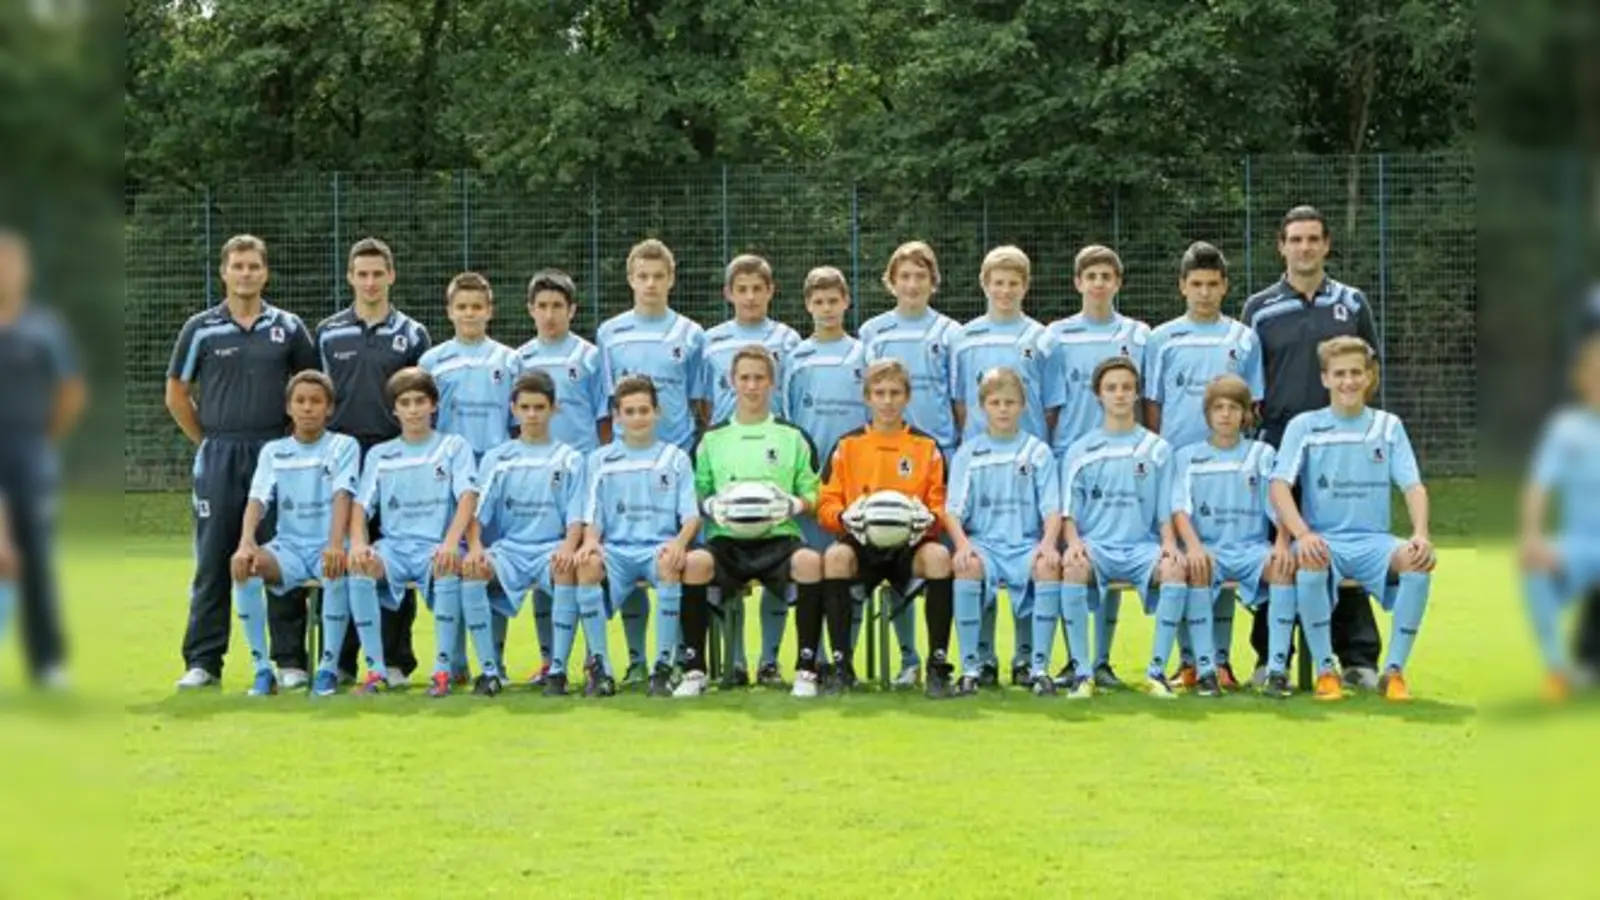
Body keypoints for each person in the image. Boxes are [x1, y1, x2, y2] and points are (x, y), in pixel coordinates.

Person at [1241, 205, 1384, 689]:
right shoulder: (1258, 308)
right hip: (1279, 444)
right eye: (1295, 239)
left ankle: (1358, 658)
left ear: (1326, 245)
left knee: (1345, 545)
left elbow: (1371, 372)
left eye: (1313, 239)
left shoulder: (1352, 302)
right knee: (1277, 551)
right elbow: (1246, 385)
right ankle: (1271, 658)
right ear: (1281, 246)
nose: (1304, 247)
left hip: (1341, 448)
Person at [167, 234, 318, 690]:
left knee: (280, 554)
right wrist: (208, 441)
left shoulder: (288, 327)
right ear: (224, 272)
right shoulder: (202, 328)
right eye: (238, 266)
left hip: (275, 452)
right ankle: (204, 661)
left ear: (265, 272)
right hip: (220, 453)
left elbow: (312, 385)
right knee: (214, 557)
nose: (246, 273)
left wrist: (292, 445)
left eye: (254, 266)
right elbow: (176, 393)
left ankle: (290, 660)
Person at [1269, 336, 1435, 702]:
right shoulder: (1305, 426)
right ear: (1325, 379)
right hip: (1325, 539)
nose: (1348, 381)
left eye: (1356, 373)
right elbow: (1279, 486)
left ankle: (1393, 673)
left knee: (1420, 562)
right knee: (1310, 560)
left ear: (1368, 377)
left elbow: (1413, 486)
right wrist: (1302, 533)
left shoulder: (1388, 426)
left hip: (1374, 542)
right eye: (1339, 374)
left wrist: (1420, 533)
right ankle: (1327, 671)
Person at [307, 237, 431, 688]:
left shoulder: (412, 333)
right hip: (339, 457)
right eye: (362, 274)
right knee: (341, 557)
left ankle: (396, 660)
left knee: (396, 554)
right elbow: (314, 396)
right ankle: (338, 662)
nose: (370, 281)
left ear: (391, 276)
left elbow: (420, 400)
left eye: (378, 273)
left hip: (396, 457)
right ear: (350, 277)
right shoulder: (327, 332)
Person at [1145, 241, 1264, 689]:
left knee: (1219, 559)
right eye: (1196, 284)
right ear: (1182, 287)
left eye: (1213, 284)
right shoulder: (1162, 338)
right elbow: (1153, 402)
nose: (1204, 293)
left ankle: (1222, 661)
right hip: (1178, 466)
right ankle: (1189, 660)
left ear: (1225, 287)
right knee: (1183, 560)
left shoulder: (1242, 338)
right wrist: (1161, 454)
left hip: (1230, 467)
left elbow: (1254, 401)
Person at [595, 239, 709, 686]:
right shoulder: (610, 333)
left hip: (673, 461)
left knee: (672, 559)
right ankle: (638, 658)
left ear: (671, 279)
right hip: (626, 464)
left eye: (658, 276)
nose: (650, 284)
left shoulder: (691, 333)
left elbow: (700, 403)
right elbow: (608, 406)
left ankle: (681, 655)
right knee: (627, 555)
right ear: (630, 280)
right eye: (642, 276)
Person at [949, 245, 1062, 685]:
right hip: (984, 465)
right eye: (998, 282)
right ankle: (980, 662)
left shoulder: (1042, 337)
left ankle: (1027, 661)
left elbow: (1050, 405)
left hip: (1026, 467)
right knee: (977, 564)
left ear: (1025, 287)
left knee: (1034, 563)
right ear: (985, 285)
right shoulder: (964, 337)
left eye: (1014, 282)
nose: (1006, 290)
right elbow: (960, 403)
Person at [682, 346, 823, 696]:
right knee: (695, 563)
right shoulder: (712, 439)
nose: (752, 385)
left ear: (772, 383)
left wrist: (794, 504)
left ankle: (806, 668)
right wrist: (710, 505)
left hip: (779, 538)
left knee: (810, 562)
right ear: (732, 382)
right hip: (727, 541)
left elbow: (815, 492)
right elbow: (695, 492)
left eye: (759, 378)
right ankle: (694, 669)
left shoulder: (792, 437)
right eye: (744, 377)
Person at [811, 359, 957, 697]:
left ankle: (937, 667)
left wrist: (929, 521)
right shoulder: (847, 445)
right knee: (834, 558)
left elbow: (939, 506)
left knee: (938, 558)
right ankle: (841, 665)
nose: (887, 401)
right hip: (862, 542)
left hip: (910, 544)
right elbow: (827, 503)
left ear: (907, 397)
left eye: (894, 393)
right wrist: (844, 517)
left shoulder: (927, 447)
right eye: (880, 393)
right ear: (867, 398)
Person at [1045, 244, 1151, 690]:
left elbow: (1146, 401)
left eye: (1107, 276)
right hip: (1073, 456)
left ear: (1117, 283)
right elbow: (1052, 403)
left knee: (1108, 555)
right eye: (1091, 276)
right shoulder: (1056, 335)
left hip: (1125, 459)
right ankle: (1076, 659)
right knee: (1077, 554)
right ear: (1078, 283)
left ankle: (1101, 660)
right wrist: (1055, 451)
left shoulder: (1139, 334)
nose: (1099, 284)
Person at [699, 254, 802, 686]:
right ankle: (736, 659)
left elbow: (792, 395)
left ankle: (770, 658)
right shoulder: (711, 341)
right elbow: (703, 405)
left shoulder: (789, 338)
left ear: (771, 291)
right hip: (729, 456)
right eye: (741, 289)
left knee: (778, 561)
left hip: (775, 454)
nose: (749, 296)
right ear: (728, 294)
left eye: (757, 288)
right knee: (730, 560)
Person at [347, 367, 481, 697]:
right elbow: (361, 505)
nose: (413, 409)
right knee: (360, 564)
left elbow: (468, 496)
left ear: (434, 405)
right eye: (405, 402)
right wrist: (360, 543)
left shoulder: (453, 446)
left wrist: (451, 542)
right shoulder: (380, 454)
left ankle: (442, 671)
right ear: (394, 409)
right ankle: (375, 671)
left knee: (447, 563)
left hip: (436, 545)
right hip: (393, 547)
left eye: (420, 401)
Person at [1059, 357, 1187, 699]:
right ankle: (1083, 673)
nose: (1119, 394)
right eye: (1111, 388)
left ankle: (1156, 673)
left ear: (1136, 394)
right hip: (1096, 547)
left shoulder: (1157, 448)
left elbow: (1165, 509)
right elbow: (1068, 512)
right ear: (1098, 395)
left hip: (1141, 549)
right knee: (1072, 566)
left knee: (1175, 569)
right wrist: (1072, 543)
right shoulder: (1080, 450)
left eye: (1127, 388)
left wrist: (1170, 545)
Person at [575, 375, 711, 698]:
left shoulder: (675, 458)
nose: (637, 418)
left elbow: (691, 516)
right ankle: (600, 668)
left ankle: (662, 668)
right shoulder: (599, 460)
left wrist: (679, 543)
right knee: (586, 566)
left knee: (668, 562)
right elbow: (591, 514)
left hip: (657, 548)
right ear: (617, 416)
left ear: (657, 413)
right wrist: (591, 542)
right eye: (630, 412)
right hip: (617, 552)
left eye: (644, 411)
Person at [858, 241, 956, 679]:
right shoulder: (872, 332)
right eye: (905, 276)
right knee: (886, 541)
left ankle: (956, 657)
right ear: (891, 282)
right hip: (884, 455)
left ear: (933, 282)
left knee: (935, 560)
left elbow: (957, 400)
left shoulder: (952, 333)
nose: (912, 284)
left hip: (934, 456)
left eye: (921, 276)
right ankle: (908, 657)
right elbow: (869, 395)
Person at [229, 371, 361, 697]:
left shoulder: (344, 445)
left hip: (326, 544)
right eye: (300, 401)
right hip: (288, 548)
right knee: (244, 568)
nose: (307, 408)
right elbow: (258, 499)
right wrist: (246, 543)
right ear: (288, 407)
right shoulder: (274, 451)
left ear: (329, 408)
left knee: (337, 568)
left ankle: (328, 669)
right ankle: (262, 671)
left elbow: (343, 495)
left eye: (316, 401)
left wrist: (334, 544)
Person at [1169, 374, 1296, 698]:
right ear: (1208, 414)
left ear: (1246, 414)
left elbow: (1280, 504)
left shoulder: (1262, 454)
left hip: (1252, 548)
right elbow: (1180, 510)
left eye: (1233, 407)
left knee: (1283, 566)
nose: (1225, 414)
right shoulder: (1187, 456)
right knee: (1196, 566)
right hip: (1210, 549)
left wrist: (1282, 543)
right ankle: (1206, 670)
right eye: (1218, 407)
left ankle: (1278, 670)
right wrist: (1194, 548)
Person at [417, 271, 517, 681]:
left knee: (487, 567)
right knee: (452, 565)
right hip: (448, 481)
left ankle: (495, 660)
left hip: (493, 478)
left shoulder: (509, 360)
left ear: (489, 310)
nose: (470, 314)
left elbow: (517, 422)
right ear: (449, 311)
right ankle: (454, 661)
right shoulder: (432, 361)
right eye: (462, 307)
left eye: (477, 307)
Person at [463, 370, 586, 696]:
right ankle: (489, 672)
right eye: (525, 407)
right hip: (510, 551)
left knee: (565, 569)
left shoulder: (570, 458)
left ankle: (557, 670)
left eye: (539, 407)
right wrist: (475, 547)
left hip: (550, 549)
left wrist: (569, 547)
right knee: (473, 570)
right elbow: (477, 513)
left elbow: (576, 516)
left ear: (553, 409)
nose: (532, 415)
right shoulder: (497, 458)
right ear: (513, 409)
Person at [513, 268, 609, 686]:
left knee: (582, 564)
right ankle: (550, 660)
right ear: (530, 310)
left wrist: (598, 466)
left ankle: (593, 659)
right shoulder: (520, 360)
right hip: (539, 477)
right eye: (542, 307)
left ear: (572, 310)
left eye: (557, 306)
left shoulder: (588, 356)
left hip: (582, 476)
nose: (549, 315)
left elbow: (604, 419)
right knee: (546, 568)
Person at [0, 230, 87, 688]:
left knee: (34, 554)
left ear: (23, 272)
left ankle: (47, 662)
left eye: (9, 263)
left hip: (28, 453)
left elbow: (70, 390)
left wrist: (43, 439)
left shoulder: (44, 329)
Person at [945, 368, 1061, 696]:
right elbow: (953, 511)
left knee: (1046, 565)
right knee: (967, 565)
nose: (1003, 409)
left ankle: (1035, 666)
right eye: (995, 402)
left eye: (1010, 402)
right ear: (982, 407)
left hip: (1025, 544)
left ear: (1023, 405)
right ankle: (974, 665)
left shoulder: (1037, 451)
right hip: (985, 544)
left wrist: (1049, 544)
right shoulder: (969, 452)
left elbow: (1052, 509)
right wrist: (963, 544)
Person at [1520, 335, 1600, 700]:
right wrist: (1532, 537)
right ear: (1583, 378)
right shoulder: (1566, 428)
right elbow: (1539, 485)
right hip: (1581, 546)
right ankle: (1557, 670)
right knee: (1533, 567)